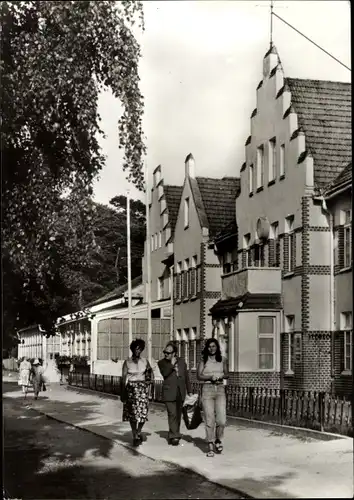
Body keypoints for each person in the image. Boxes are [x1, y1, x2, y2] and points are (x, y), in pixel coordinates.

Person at [197, 338, 229, 457]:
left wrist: (220, 376)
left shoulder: (222, 360)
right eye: (209, 347)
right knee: (209, 418)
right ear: (207, 348)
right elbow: (199, 376)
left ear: (217, 348)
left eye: (214, 346)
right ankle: (210, 445)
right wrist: (210, 377)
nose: (212, 349)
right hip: (207, 390)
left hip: (220, 389)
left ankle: (218, 439)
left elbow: (227, 374)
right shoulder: (203, 361)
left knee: (221, 419)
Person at [158, 341, 192, 446]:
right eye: (165, 352)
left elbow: (186, 377)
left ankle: (174, 433)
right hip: (169, 392)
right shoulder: (162, 363)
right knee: (172, 413)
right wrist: (172, 365)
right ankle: (174, 436)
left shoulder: (182, 362)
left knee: (178, 414)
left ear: (174, 353)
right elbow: (165, 374)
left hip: (180, 392)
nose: (166, 354)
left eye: (168, 353)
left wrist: (189, 391)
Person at [121, 339, 153, 446]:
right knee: (133, 414)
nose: (138, 351)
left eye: (140, 349)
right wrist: (123, 392)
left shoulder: (145, 361)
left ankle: (139, 431)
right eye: (136, 348)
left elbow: (150, 373)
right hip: (131, 389)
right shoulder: (127, 362)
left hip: (142, 388)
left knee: (143, 414)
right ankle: (134, 434)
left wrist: (148, 383)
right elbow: (123, 377)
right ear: (132, 349)